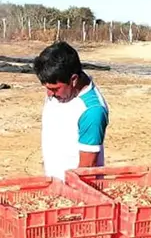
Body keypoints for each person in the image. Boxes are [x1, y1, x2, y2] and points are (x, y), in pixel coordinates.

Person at [33, 41, 110, 180]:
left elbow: (87, 170)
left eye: (54, 89)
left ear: (73, 80)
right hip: (55, 184)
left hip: (75, 189)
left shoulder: (92, 111)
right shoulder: (60, 87)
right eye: (46, 88)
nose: (49, 94)